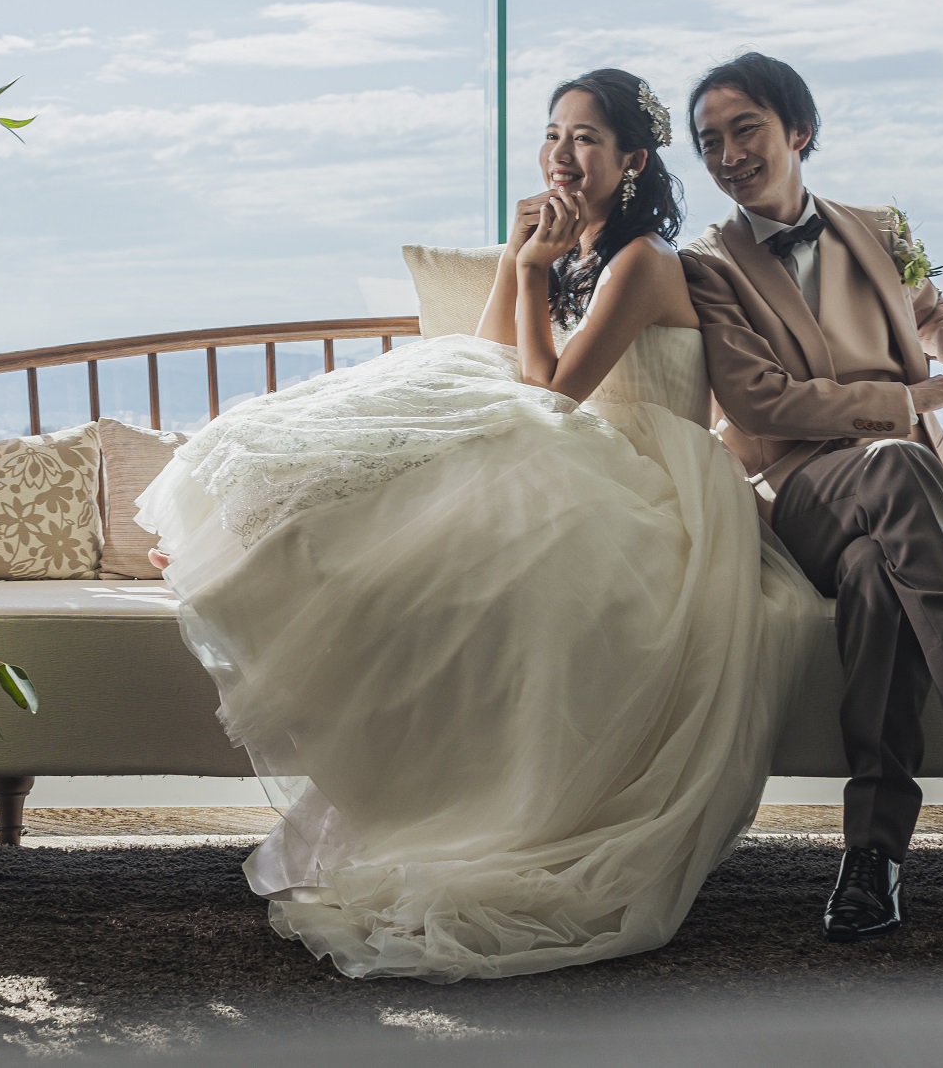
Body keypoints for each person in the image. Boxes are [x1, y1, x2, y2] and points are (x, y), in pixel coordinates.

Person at [136, 69, 824, 981]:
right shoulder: (558, 243)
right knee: (417, 459)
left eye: (586, 138)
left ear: (632, 160)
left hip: (651, 471)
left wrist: (534, 270)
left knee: (501, 488)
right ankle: (256, 550)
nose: (562, 153)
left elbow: (554, 389)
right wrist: (520, 257)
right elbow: (489, 355)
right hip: (572, 441)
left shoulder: (646, 261)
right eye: (554, 134)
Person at [677, 52, 943, 944]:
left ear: (799, 130)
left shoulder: (879, 228)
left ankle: (872, 859)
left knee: (878, 577)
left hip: (903, 510)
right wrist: (906, 401)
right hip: (802, 494)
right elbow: (757, 402)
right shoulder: (708, 264)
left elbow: (939, 310)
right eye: (710, 141)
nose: (728, 154)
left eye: (745, 130)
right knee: (895, 468)